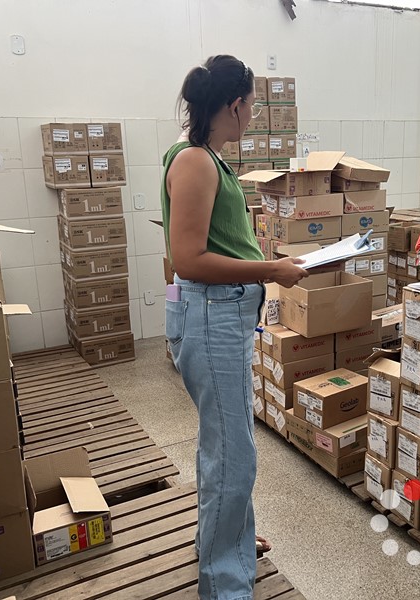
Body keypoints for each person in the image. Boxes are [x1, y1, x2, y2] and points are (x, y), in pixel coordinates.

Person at [161, 55, 308, 600]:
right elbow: (189, 259)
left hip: (219, 316)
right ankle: (225, 584)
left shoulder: (203, 157)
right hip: (211, 316)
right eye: (252, 107)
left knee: (224, 443)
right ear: (235, 105)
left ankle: (227, 538)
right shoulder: (196, 162)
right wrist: (270, 270)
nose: (252, 116)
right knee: (232, 454)